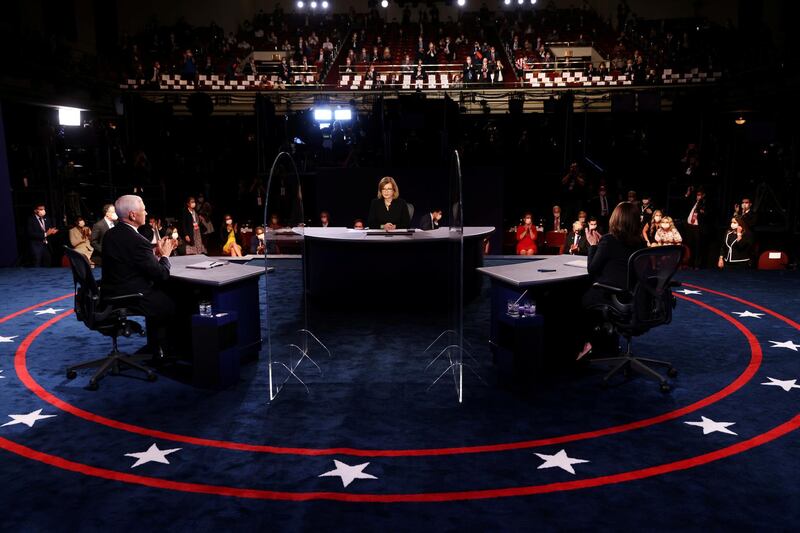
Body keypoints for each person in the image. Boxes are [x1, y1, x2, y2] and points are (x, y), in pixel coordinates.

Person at [101, 195, 176, 359]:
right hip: (130, 295)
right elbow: (162, 274)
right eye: (143, 209)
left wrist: (151, 253)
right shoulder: (137, 240)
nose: (146, 212)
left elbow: (128, 259)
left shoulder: (110, 234)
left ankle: (155, 346)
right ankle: (162, 352)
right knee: (170, 303)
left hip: (110, 291)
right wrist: (165, 256)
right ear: (133, 215)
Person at [578, 202, 646, 359]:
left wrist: (594, 245)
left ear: (615, 219)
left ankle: (586, 343)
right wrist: (602, 244)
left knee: (581, 298)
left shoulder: (609, 240)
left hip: (614, 297)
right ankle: (605, 342)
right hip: (635, 299)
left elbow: (592, 269)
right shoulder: (641, 243)